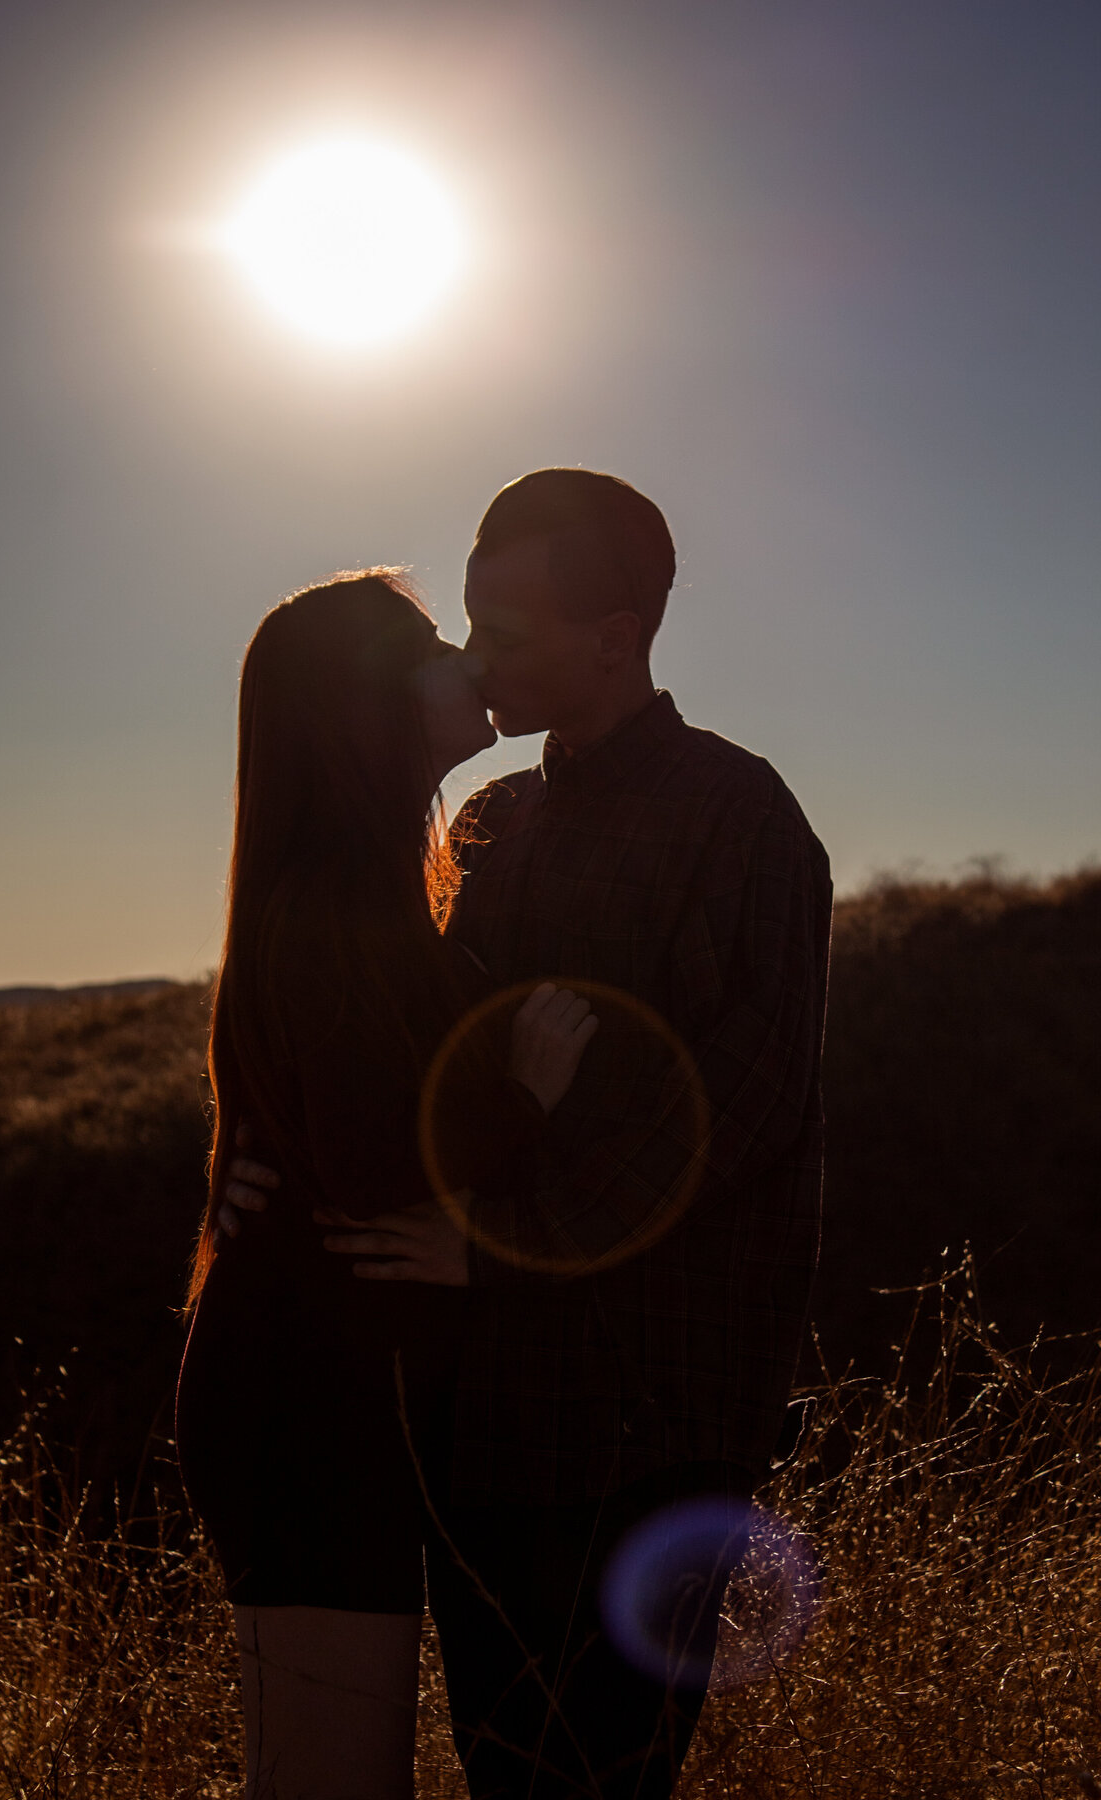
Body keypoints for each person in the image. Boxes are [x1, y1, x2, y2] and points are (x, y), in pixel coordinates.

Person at [222, 469, 833, 1800]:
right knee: (508, 1769)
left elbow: (743, 1108)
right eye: (468, 623)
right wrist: (268, 1156)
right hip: (483, 1429)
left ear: (614, 633)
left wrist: (497, 1249)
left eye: (505, 629)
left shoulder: (740, 820)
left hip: (647, 1428)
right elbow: (391, 1060)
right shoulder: (493, 826)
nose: (477, 656)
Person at [175, 569, 599, 1800]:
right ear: (368, 704)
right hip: (307, 1411)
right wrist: (521, 1094)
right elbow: (371, 1164)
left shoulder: (367, 890)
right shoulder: (332, 906)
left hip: (331, 1399)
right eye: (431, 645)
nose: (466, 656)